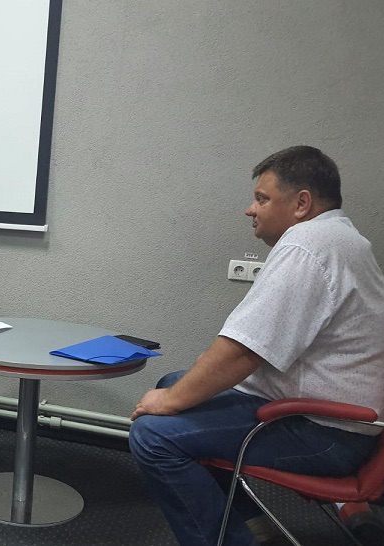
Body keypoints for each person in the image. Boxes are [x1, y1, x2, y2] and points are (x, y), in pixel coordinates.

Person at [128, 146, 384, 546]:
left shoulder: (307, 246)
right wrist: (175, 394)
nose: (250, 209)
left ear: (301, 203)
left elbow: (243, 351)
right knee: (171, 383)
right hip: (335, 420)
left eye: (262, 199)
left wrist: (172, 402)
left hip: (326, 434)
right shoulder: (343, 238)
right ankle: (248, 524)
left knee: (153, 435)